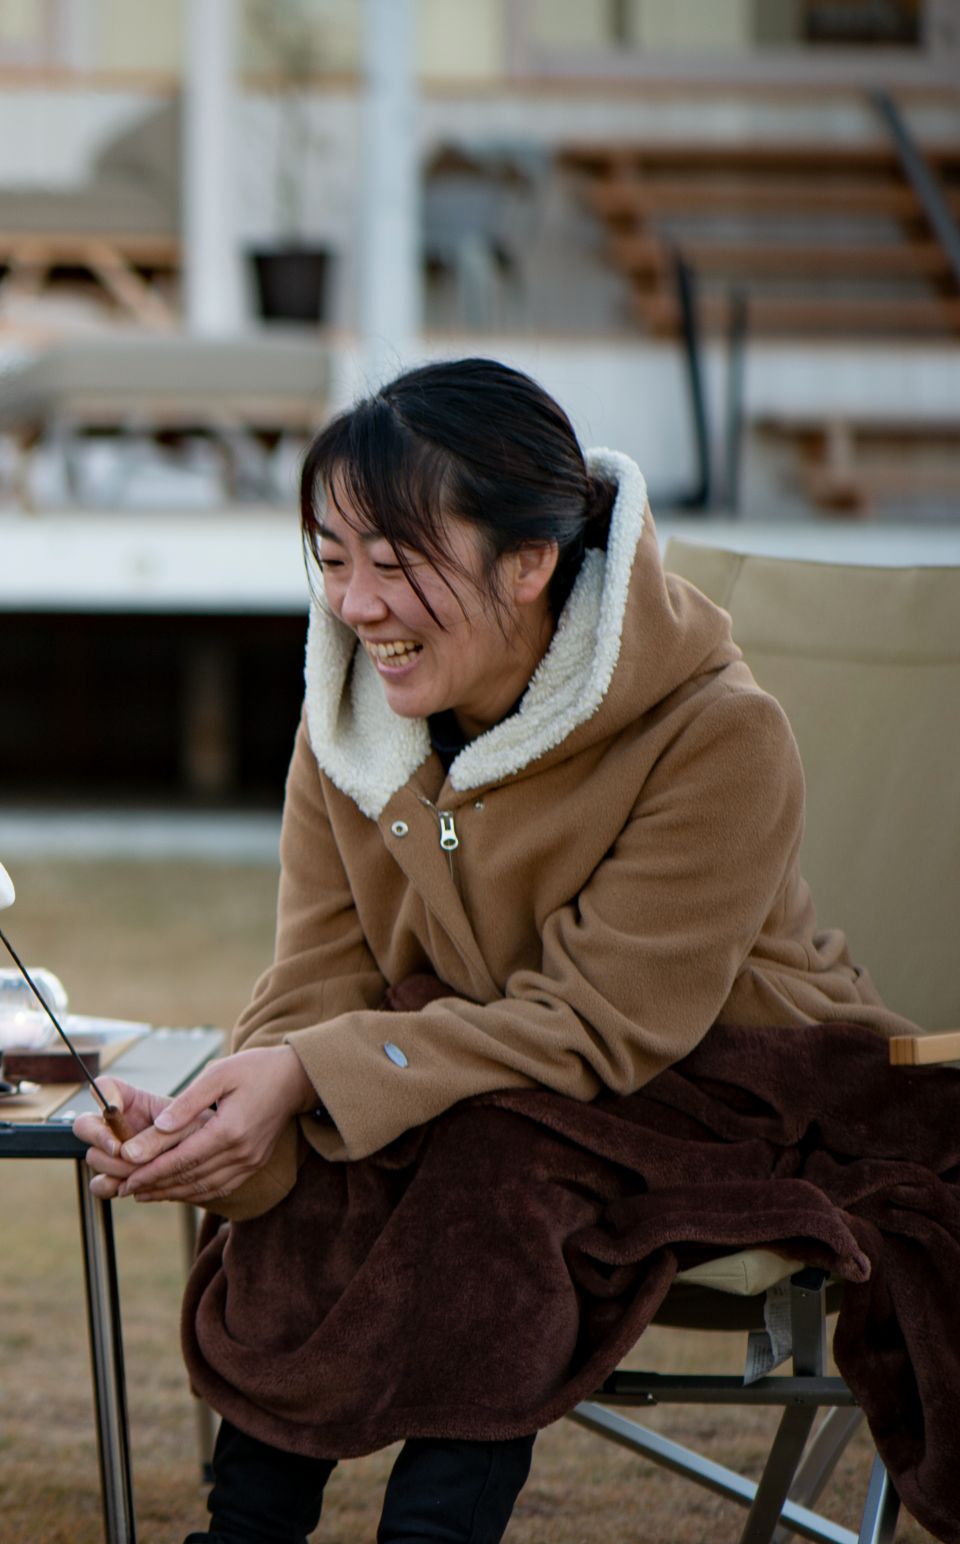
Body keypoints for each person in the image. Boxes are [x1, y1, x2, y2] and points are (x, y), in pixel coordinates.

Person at [74, 359, 917, 1544]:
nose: (356, 603)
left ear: (528, 562)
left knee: (476, 1136)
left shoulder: (719, 734)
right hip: (476, 1085)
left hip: (738, 1082)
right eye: (330, 558)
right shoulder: (351, 734)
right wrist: (226, 1126)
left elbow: (601, 1020)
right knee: (366, 1113)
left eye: (396, 558)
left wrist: (318, 1071)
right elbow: (315, 986)